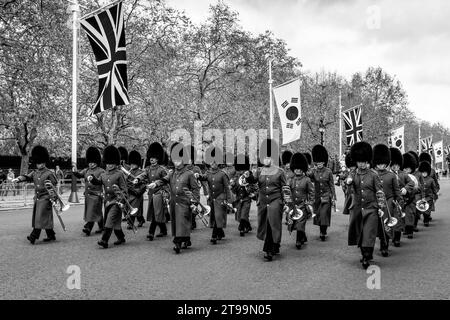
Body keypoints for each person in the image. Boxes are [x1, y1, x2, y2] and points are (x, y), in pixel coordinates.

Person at [149, 142, 200, 254]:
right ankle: (186, 239)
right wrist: (155, 184)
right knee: (177, 223)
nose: (176, 163)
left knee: (182, 222)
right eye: (175, 160)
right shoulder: (172, 173)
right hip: (174, 202)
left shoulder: (189, 174)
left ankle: (177, 242)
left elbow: (195, 189)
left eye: (179, 160)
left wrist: (195, 203)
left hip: (185, 202)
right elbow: (163, 180)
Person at [246, 138, 287, 262]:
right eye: (265, 157)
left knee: (272, 224)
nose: (266, 160)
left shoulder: (280, 172)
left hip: (276, 200)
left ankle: (268, 250)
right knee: (265, 224)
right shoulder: (259, 171)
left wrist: (286, 203)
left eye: (269, 157)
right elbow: (254, 181)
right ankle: (275, 245)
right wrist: (249, 177)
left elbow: (285, 188)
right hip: (263, 201)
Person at [346, 142, 384, 269]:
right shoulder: (353, 174)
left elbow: (379, 192)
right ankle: (364, 253)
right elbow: (348, 188)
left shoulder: (373, 175)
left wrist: (381, 207)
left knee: (369, 233)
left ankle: (367, 255)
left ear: (367, 161)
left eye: (363, 161)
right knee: (360, 233)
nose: (361, 164)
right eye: (359, 161)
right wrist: (348, 182)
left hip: (371, 208)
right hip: (358, 208)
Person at [13, 146, 58, 244]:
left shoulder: (49, 173)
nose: (39, 165)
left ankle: (33, 236)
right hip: (38, 198)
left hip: (46, 198)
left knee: (40, 217)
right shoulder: (35, 172)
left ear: (44, 162)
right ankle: (51, 235)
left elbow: (54, 185)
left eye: (41, 163)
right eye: (38, 163)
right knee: (42, 217)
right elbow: (27, 177)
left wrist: (54, 198)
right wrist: (19, 179)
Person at [88, 145, 128, 249]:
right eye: (108, 163)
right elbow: (98, 182)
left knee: (109, 220)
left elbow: (124, 190)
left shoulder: (119, 174)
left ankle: (104, 240)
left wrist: (121, 200)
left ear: (115, 163)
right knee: (115, 223)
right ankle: (121, 237)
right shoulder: (104, 174)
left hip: (116, 201)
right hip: (107, 201)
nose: (109, 165)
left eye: (112, 163)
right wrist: (92, 179)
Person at [195, 146, 232, 244]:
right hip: (213, 198)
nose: (213, 163)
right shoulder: (208, 172)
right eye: (211, 161)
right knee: (215, 217)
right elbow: (204, 177)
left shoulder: (222, 174)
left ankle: (214, 235)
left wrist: (229, 200)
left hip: (221, 198)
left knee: (218, 216)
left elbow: (227, 188)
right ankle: (220, 232)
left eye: (215, 162)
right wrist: (198, 176)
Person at [134, 142, 168, 240]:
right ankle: (164, 229)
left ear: (158, 158)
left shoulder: (162, 169)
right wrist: (138, 179)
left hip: (160, 194)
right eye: (151, 157)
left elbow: (166, 180)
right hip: (151, 194)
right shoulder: (148, 169)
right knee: (156, 212)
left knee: (155, 213)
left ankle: (151, 233)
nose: (151, 159)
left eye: (154, 157)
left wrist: (166, 193)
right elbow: (143, 174)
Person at [372, 144, 400, 257]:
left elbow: (396, 190)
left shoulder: (391, 175)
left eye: (383, 163)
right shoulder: (372, 174)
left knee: (386, 224)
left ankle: (385, 246)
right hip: (375, 203)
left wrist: (399, 201)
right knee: (376, 225)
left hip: (388, 202)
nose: (381, 165)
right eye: (379, 163)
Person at [72, 146, 105, 236]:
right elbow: (79, 175)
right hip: (88, 195)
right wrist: (75, 171)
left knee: (92, 211)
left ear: (97, 162)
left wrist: (93, 179)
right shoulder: (86, 170)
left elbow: (100, 181)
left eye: (93, 162)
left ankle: (88, 227)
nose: (91, 164)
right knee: (96, 211)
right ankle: (102, 226)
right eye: (90, 162)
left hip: (96, 195)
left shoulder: (101, 171)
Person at [286, 153, 315, 249]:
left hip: (302, 205)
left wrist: (310, 204)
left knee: (300, 224)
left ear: (303, 169)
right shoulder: (290, 180)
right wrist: (286, 203)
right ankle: (303, 236)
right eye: (296, 168)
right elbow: (286, 192)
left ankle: (298, 240)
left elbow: (312, 192)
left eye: (299, 168)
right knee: (293, 224)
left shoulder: (307, 180)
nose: (298, 170)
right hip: (292, 206)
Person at [310, 144, 336, 241]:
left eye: (321, 162)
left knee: (324, 214)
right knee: (319, 215)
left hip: (326, 195)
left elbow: (331, 184)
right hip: (317, 196)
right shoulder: (314, 171)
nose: (319, 164)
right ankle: (322, 229)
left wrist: (333, 197)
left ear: (324, 162)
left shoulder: (328, 171)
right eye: (318, 163)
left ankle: (323, 231)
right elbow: (309, 177)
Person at [389, 147, 415, 246]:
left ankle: (397, 238)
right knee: (389, 218)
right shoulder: (387, 174)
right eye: (394, 165)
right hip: (389, 199)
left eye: (397, 165)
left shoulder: (403, 174)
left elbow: (411, 183)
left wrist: (405, 189)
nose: (396, 166)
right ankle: (390, 236)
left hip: (399, 200)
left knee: (398, 219)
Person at [231, 154, 254, 236]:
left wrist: (250, 190)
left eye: (243, 169)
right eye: (239, 169)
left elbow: (253, 183)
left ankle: (241, 228)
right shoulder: (236, 177)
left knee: (244, 214)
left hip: (247, 198)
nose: (241, 171)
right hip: (238, 199)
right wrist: (233, 185)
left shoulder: (249, 175)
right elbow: (233, 190)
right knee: (239, 215)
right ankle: (248, 226)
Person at [126, 150, 146, 229]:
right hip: (130, 192)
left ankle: (131, 223)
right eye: (131, 164)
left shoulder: (141, 172)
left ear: (137, 164)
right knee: (134, 208)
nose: (132, 165)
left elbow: (144, 182)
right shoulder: (129, 172)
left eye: (134, 164)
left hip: (137, 192)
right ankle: (141, 219)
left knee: (135, 207)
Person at [401, 153, 419, 238]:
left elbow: (418, 188)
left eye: (407, 168)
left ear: (411, 168)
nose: (405, 170)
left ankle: (410, 230)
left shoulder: (414, 177)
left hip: (411, 199)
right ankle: (405, 229)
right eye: (404, 168)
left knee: (410, 215)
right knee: (403, 215)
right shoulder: (400, 176)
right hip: (402, 199)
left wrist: (413, 191)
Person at [416, 161, 438, 227]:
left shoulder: (431, 180)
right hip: (420, 197)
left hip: (429, 197)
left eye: (425, 172)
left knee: (427, 211)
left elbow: (434, 189)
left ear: (428, 172)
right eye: (423, 172)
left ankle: (426, 220)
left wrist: (435, 195)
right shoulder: (418, 179)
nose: (424, 174)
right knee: (419, 210)